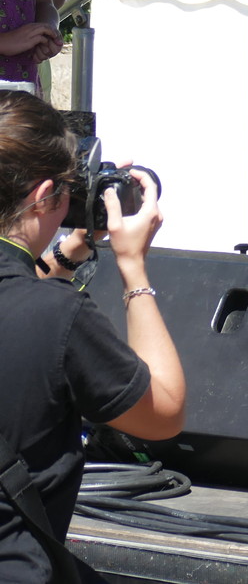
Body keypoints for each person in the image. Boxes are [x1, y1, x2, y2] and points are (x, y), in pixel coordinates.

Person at [0, 91, 185, 584]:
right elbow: (162, 413)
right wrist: (133, 266)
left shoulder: (39, 304)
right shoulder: (55, 314)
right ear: (44, 197)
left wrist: (64, 255)